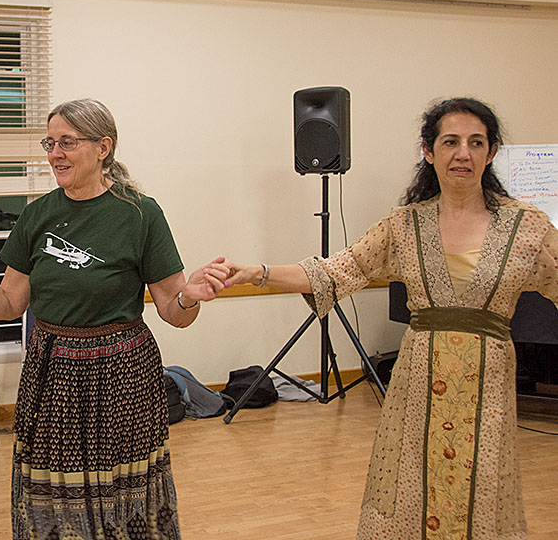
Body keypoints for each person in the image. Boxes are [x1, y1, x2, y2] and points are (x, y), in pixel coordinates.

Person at [223, 97, 552, 539]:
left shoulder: (526, 226)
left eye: (476, 143)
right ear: (428, 151)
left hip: (487, 382)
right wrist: (256, 273)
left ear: (491, 152)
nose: (463, 154)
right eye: (451, 142)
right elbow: (333, 272)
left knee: (484, 484)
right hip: (419, 382)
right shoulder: (403, 226)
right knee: (410, 482)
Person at [0, 98, 229, 540]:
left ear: (103, 148)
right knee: (52, 495)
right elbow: (9, 302)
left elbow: (174, 313)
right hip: (52, 374)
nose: (55, 153)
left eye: (67, 143)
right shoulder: (37, 215)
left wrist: (189, 297)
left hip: (122, 376)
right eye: (50, 143)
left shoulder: (140, 214)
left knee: (123, 494)